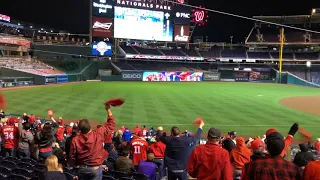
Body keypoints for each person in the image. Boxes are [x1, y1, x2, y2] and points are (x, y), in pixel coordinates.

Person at [70, 104, 115, 180]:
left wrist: (76, 167)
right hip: (95, 169)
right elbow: (111, 124)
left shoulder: (75, 140)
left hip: (82, 169)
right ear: (90, 126)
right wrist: (108, 109)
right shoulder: (98, 134)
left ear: (80, 130)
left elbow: (72, 157)